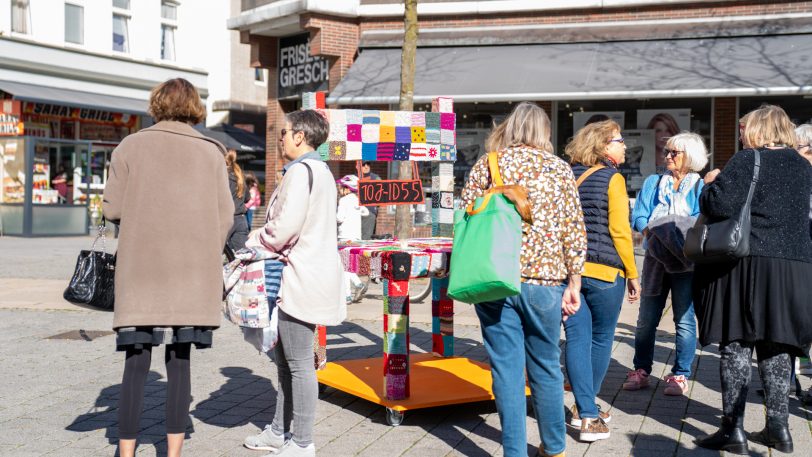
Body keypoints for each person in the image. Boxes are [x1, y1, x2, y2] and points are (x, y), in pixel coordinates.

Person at [102, 78, 234, 457]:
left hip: (141, 271)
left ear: (157, 104)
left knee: (135, 362)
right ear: (195, 107)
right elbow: (226, 216)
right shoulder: (212, 151)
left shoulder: (130, 146)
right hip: (191, 274)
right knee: (180, 362)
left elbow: (112, 209)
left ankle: (125, 452)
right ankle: (173, 453)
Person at [461, 101, 587, 457]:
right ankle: (554, 446)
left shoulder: (488, 164)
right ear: (544, 132)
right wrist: (574, 281)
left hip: (494, 278)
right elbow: (573, 229)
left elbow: (467, 213)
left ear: (511, 128)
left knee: (506, 369)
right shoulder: (560, 170)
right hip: (545, 281)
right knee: (546, 364)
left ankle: (514, 451)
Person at [694, 105, 812, 454]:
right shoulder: (804, 167)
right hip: (795, 267)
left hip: (749, 264)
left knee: (737, 344)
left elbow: (718, 206)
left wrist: (709, 184)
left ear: (758, 129)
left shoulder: (748, 161)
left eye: (744, 127)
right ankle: (780, 428)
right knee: (779, 344)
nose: (741, 132)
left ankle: (732, 428)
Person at [243, 110, 346, 457]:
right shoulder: (320, 171)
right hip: (306, 277)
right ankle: (278, 432)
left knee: (299, 364)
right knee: (289, 361)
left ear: (301, 136)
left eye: (284, 132)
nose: (280, 138)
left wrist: (255, 238)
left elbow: (284, 228)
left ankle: (301, 442)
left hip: (300, 279)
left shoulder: (302, 172)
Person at [564, 120, 641, 442]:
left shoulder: (567, 176)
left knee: (576, 339)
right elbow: (620, 231)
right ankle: (589, 413)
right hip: (606, 272)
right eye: (619, 141)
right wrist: (633, 273)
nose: (624, 146)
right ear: (603, 146)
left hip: (570, 272)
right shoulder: (614, 179)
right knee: (599, 339)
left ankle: (586, 407)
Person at [626, 132, 708, 396]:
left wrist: (669, 232)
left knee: (684, 319)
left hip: (685, 263)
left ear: (691, 156)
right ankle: (641, 370)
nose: (668, 156)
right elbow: (639, 216)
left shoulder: (700, 187)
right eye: (667, 152)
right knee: (646, 319)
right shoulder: (653, 181)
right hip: (655, 260)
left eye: (675, 152)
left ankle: (680, 374)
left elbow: (698, 221)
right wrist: (658, 233)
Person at [336, 174, 369, 299]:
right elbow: (366, 212)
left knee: (344, 267)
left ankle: (348, 295)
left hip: (345, 237)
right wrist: (356, 211)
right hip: (356, 237)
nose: (339, 189)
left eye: (341, 187)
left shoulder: (343, 200)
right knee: (348, 266)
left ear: (347, 188)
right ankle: (358, 284)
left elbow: (339, 218)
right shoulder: (356, 200)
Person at [225, 150, 250, 251]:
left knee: (214, 254)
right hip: (240, 220)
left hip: (226, 220)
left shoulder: (223, 176)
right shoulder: (239, 176)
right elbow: (248, 197)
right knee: (242, 256)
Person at [360, 161, 380, 239]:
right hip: (356, 214)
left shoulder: (376, 178)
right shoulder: (353, 178)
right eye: (363, 165)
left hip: (370, 213)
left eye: (368, 164)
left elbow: (382, 195)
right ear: (357, 166)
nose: (366, 166)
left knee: (367, 238)